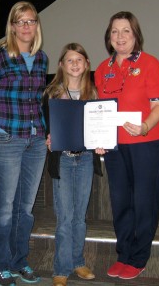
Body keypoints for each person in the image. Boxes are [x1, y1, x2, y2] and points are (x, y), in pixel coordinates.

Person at [0, 1, 48, 286]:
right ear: (12, 26)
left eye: (31, 21)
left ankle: (19, 261)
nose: (27, 26)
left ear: (37, 25)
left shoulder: (41, 59)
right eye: (21, 21)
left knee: (24, 209)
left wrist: (43, 129)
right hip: (5, 142)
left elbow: (36, 100)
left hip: (36, 141)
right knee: (4, 208)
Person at [94, 11, 159, 280]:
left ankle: (139, 257)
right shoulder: (103, 69)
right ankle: (123, 254)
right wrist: (98, 139)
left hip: (146, 142)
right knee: (121, 201)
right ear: (108, 36)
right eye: (115, 31)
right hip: (115, 146)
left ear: (136, 35)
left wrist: (145, 125)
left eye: (126, 31)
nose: (120, 36)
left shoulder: (151, 64)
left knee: (144, 200)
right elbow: (99, 110)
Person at [43, 43, 102, 286]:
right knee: (65, 217)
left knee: (80, 217)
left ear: (87, 64)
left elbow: (100, 128)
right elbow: (45, 127)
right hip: (64, 161)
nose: (75, 64)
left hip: (86, 159)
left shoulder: (94, 94)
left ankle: (77, 262)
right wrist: (47, 137)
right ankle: (61, 267)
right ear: (61, 65)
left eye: (80, 59)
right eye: (70, 60)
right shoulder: (52, 94)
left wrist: (101, 143)